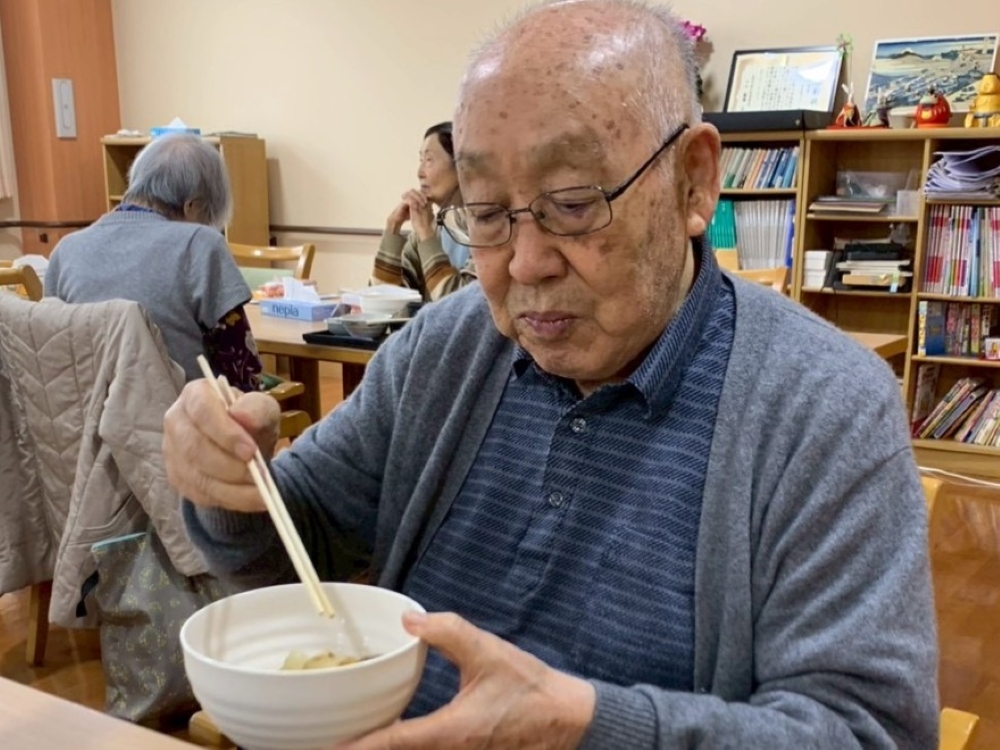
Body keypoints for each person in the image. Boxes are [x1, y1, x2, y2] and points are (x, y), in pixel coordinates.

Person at [163, 1, 938, 747]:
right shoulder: (445, 348)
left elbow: (869, 731)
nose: (524, 265)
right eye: (488, 212)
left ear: (694, 181)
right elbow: (300, 554)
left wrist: (588, 729)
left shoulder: (824, 407)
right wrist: (232, 482)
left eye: (573, 203)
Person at [45, 133, 262, 392]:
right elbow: (240, 366)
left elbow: (53, 349)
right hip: (180, 421)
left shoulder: (66, 249)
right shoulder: (201, 242)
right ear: (192, 206)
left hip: (86, 421)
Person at [372, 121, 477, 301]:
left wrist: (426, 235)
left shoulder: (490, 230)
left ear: (461, 166)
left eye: (429, 160)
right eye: (421, 161)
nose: (420, 172)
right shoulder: (432, 229)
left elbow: (457, 307)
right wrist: (392, 227)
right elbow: (383, 302)